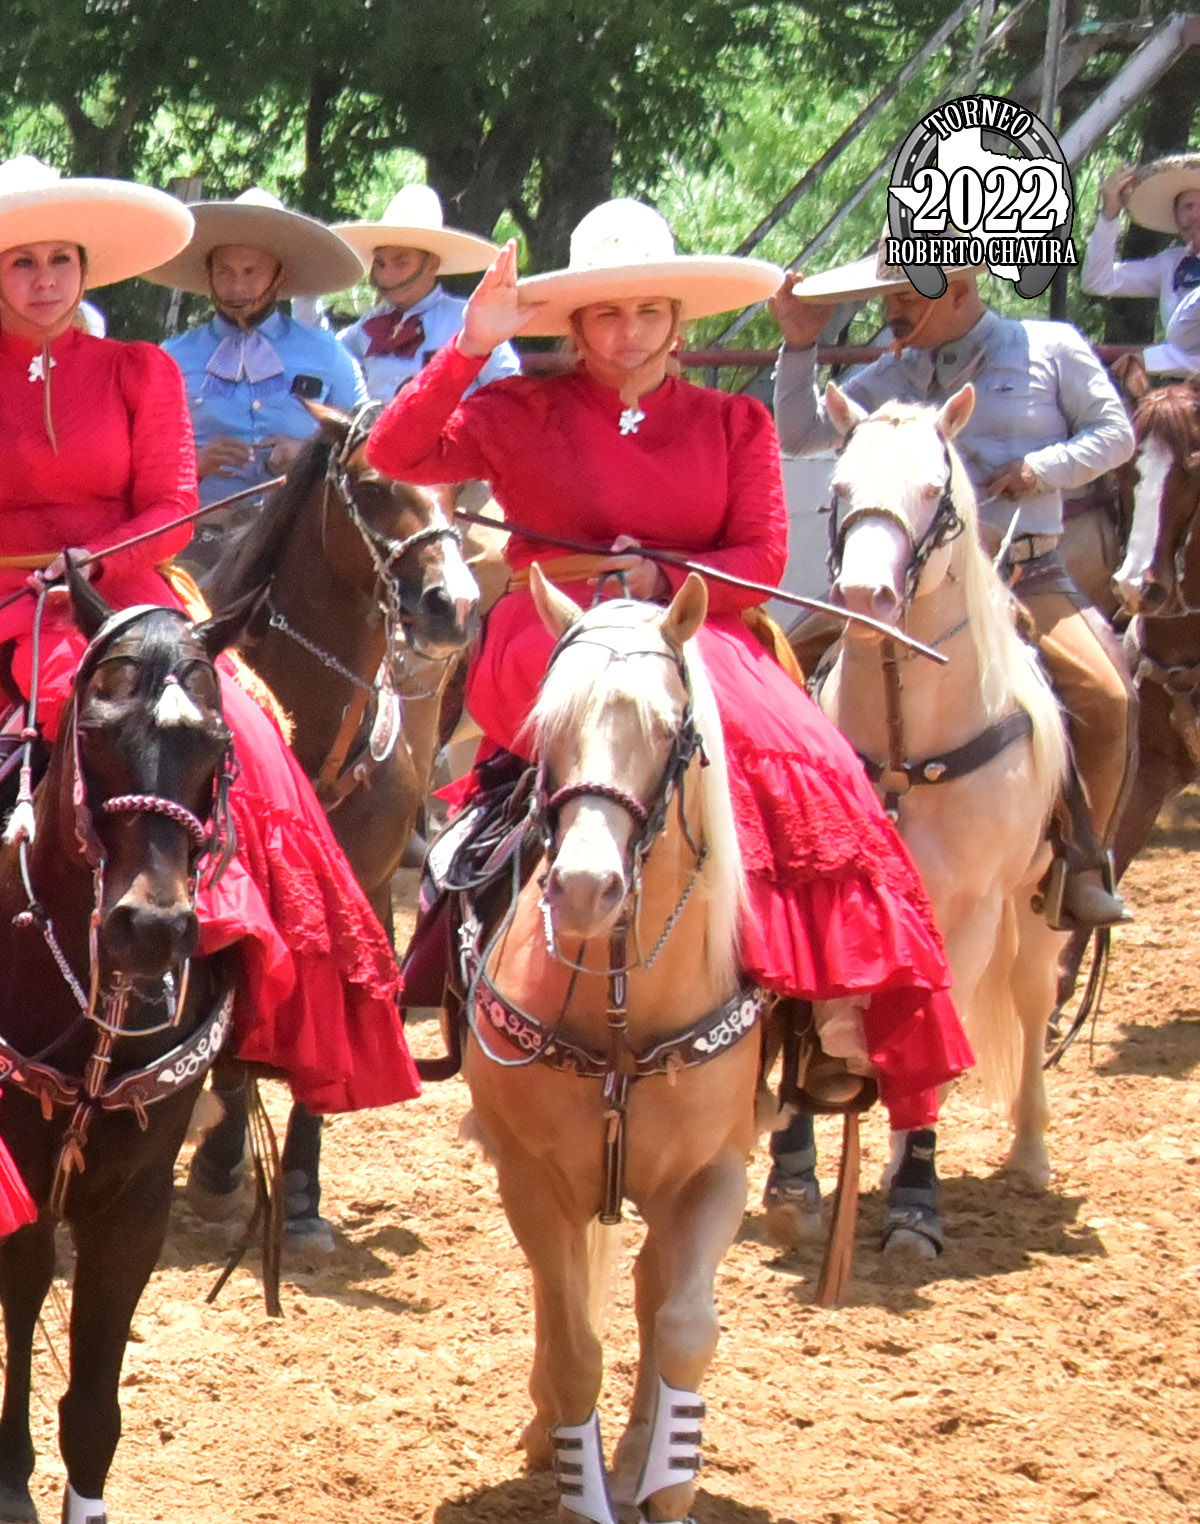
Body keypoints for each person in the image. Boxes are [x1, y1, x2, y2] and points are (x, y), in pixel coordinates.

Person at [366, 199, 973, 1211]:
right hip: (553, 631)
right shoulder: (519, 408)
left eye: (648, 311)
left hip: (696, 629)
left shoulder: (734, 421)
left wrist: (664, 578)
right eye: (606, 314)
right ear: (576, 325)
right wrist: (470, 346)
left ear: (677, 321)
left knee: (806, 760)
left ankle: (819, 1006)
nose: (628, 332)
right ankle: (470, 961)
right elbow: (396, 453)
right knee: (580, 737)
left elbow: (763, 559)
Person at [0, 158, 419, 1183]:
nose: (44, 279)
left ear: (84, 268)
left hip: (128, 591)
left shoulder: (140, 368)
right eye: (21, 261)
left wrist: (91, 561)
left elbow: (173, 501)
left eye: (60, 260)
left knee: (252, 738)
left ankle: (250, 979)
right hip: (1, 595)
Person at [772, 234, 1137, 933]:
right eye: (889, 298)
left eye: (907, 298)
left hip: (1024, 572)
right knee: (782, 671)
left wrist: (1042, 468)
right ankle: (783, 850)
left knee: (1107, 695)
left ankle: (1080, 857)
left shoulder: (1053, 348)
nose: (892, 312)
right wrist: (798, 345)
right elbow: (801, 433)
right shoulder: (884, 376)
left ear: (960, 290)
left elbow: (1114, 433)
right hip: (899, 584)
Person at [143, 188, 367, 525]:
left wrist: (307, 457)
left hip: (298, 533)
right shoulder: (172, 358)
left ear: (280, 277)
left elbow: (366, 445)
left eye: (252, 272)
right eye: (225, 272)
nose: (237, 287)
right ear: (208, 276)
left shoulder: (327, 353)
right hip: (200, 529)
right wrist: (194, 465)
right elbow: (141, 459)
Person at [335, 184, 519, 403]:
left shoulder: (467, 319)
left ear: (432, 264)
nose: (387, 274)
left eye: (401, 263)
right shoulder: (366, 328)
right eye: (381, 264)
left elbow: (509, 387)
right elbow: (329, 357)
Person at [1083, 155, 1200, 377]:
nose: (1194, 215)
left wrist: (1151, 359)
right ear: (1175, 216)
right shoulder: (1170, 263)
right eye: (1187, 206)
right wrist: (1110, 214)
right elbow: (1097, 281)